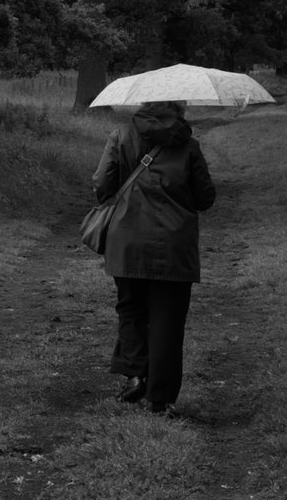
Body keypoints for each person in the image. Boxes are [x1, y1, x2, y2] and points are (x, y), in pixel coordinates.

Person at [92, 99, 216, 415]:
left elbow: (102, 185)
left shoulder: (121, 135)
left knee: (131, 308)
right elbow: (205, 198)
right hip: (174, 246)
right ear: (179, 109)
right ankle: (159, 398)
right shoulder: (189, 146)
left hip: (127, 240)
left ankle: (135, 376)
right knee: (168, 319)